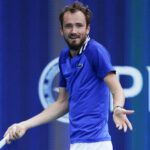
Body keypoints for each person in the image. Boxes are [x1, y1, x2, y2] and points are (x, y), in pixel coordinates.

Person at [4, 1, 134, 150]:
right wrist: (24, 125)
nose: (74, 31)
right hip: (76, 143)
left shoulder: (96, 51)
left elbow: (116, 89)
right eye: (69, 26)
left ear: (87, 29)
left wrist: (117, 108)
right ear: (61, 30)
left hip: (97, 144)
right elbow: (62, 103)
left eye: (79, 25)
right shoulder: (64, 57)